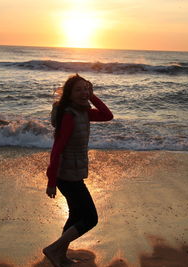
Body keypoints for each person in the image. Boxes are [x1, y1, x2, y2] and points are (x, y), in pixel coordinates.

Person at [43, 74, 113, 267]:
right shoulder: (69, 115)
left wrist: (93, 97)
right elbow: (57, 148)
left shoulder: (84, 112)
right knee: (90, 218)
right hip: (66, 176)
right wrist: (51, 182)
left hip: (74, 173)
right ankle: (53, 249)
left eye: (86, 88)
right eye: (79, 90)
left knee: (75, 215)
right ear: (69, 94)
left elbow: (108, 115)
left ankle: (59, 255)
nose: (84, 92)